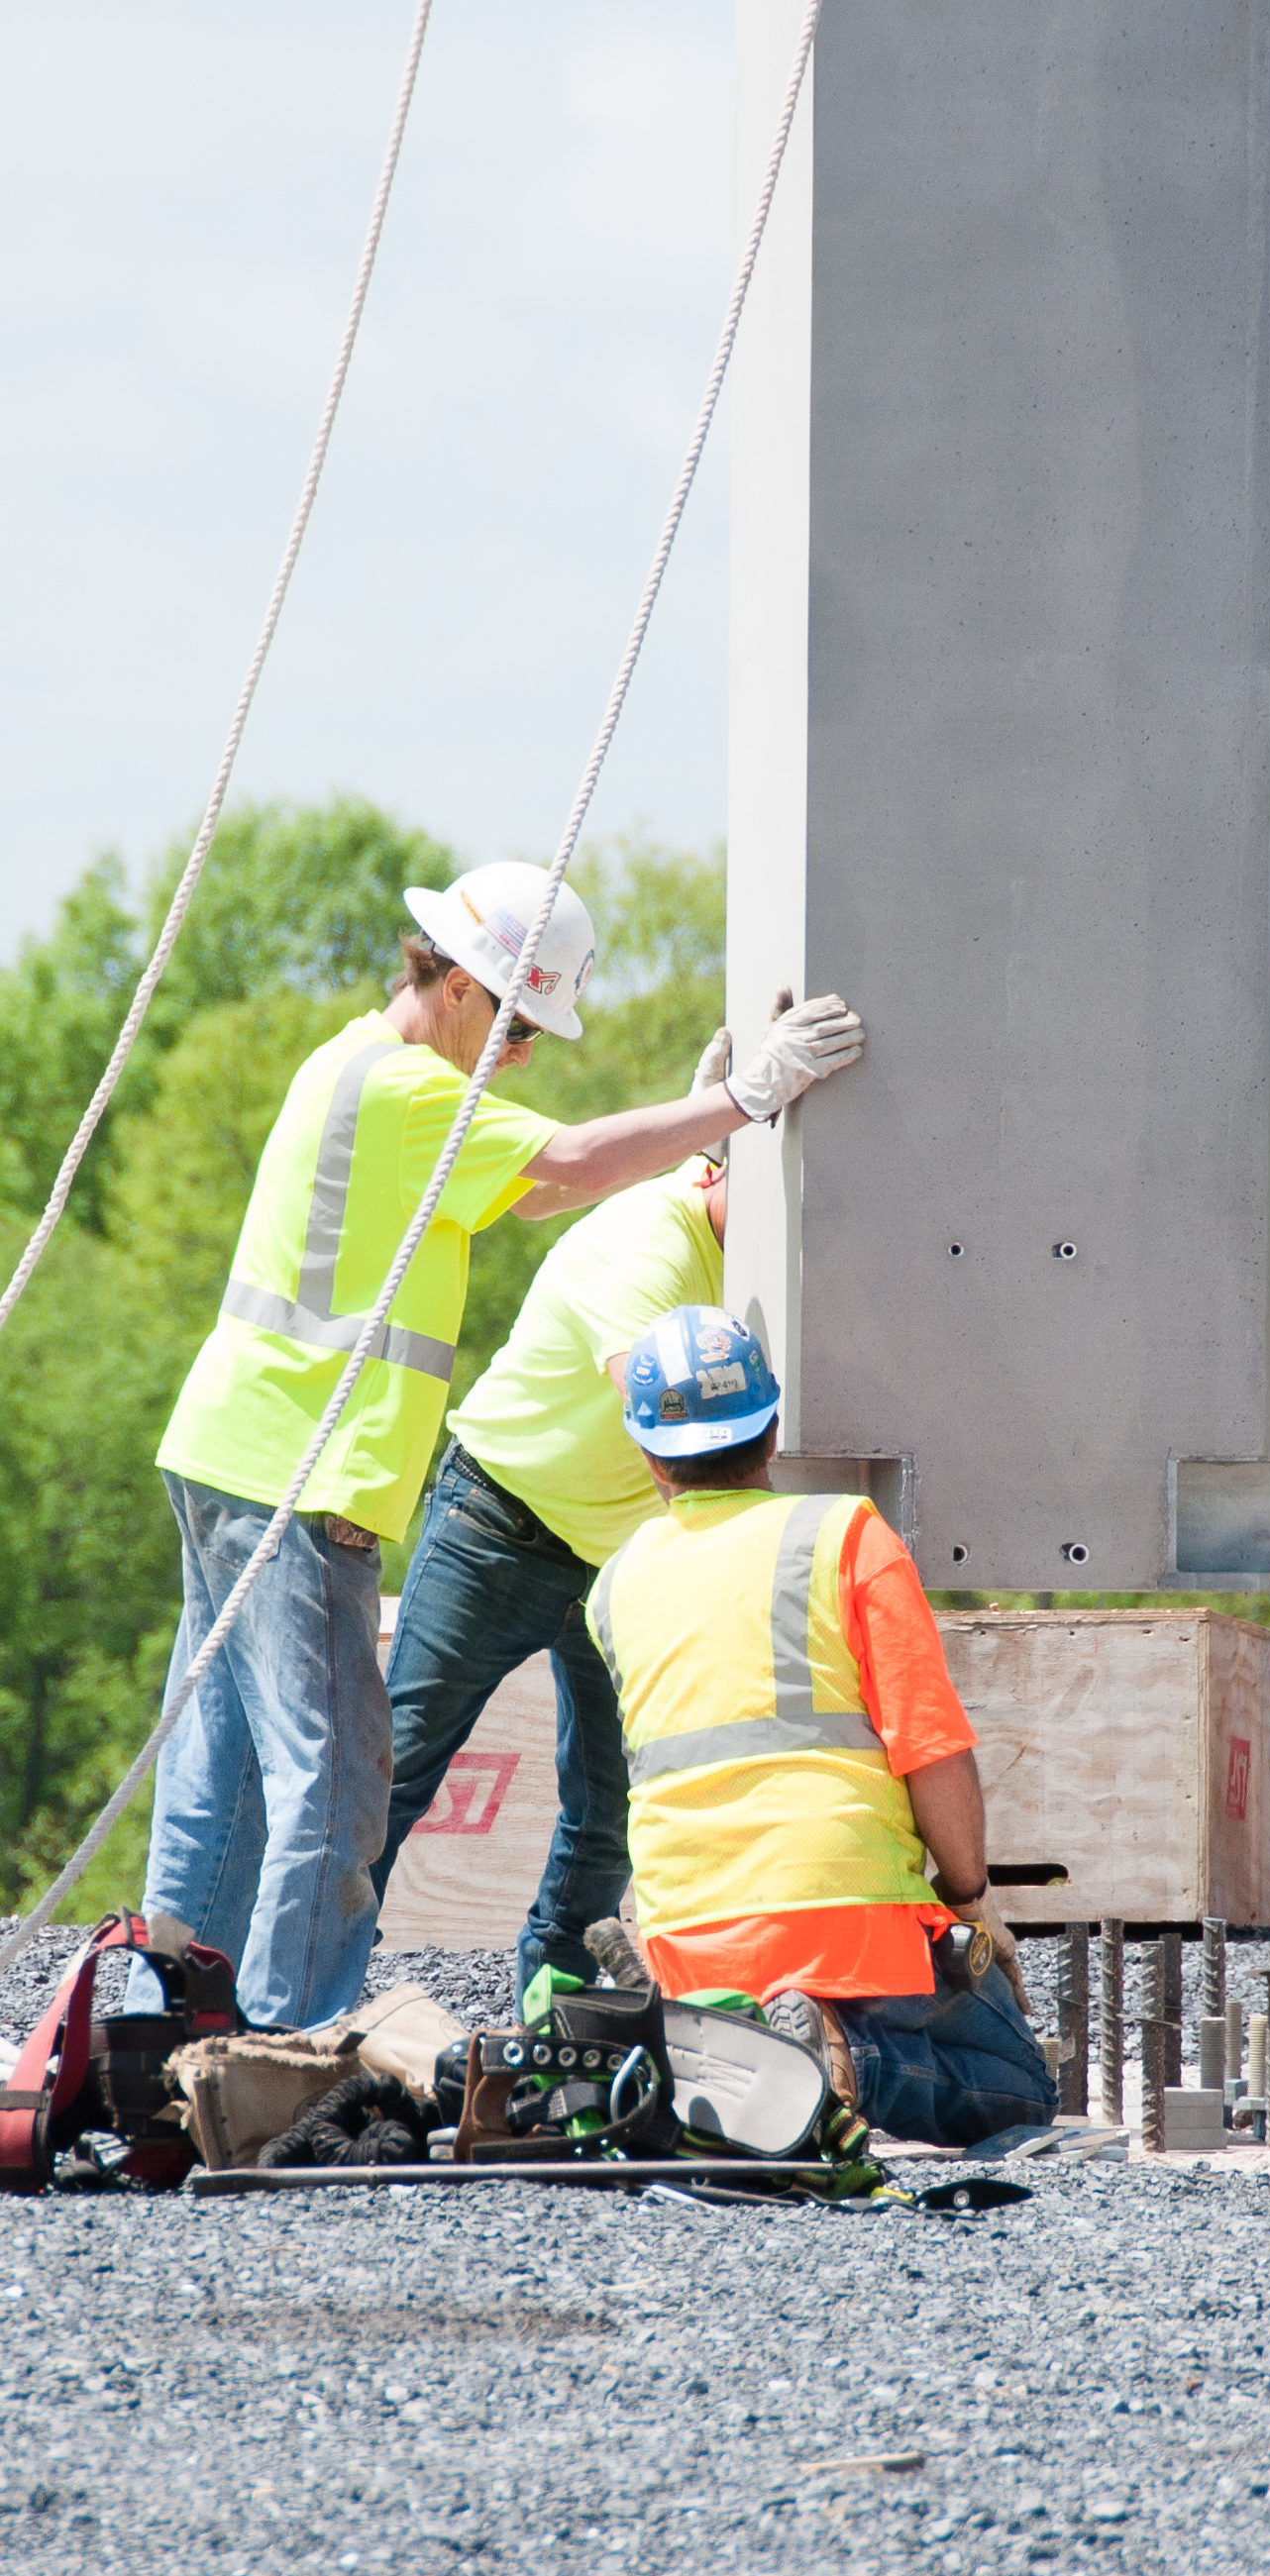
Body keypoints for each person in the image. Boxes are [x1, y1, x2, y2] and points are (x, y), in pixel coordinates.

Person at [133, 861, 863, 2027]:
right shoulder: (403, 1088)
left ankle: (160, 2028)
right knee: (337, 1786)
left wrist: (695, 1133)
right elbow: (565, 1164)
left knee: (214, 1777)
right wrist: (744, 1103)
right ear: (468, 987)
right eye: (521, 1028)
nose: (521, 1055)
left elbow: (530, 1194)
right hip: (299, 1474)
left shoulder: (350, 1069)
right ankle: (283, 2043)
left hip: (237, 1449)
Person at [372, 1011, 828, 2012]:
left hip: (618, 1553)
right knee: (394, 1772)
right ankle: (300, 1994)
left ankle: (557, 1999)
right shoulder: (648, 1244)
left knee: (607, 1805)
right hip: (500, 1524)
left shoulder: (760, 1267)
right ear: (719, 1174)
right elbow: (670, 1426)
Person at [583, 1305, 1058, 2149]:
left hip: (684, 1938)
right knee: (1019, 2090)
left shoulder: (614, 1585)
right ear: (771, 1433)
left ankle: (718, 2051)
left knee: (737, 2064)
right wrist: (969, 1903)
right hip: (849, 1923)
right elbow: (932, 1749)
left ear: (649, 1455)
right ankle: (843, 2060)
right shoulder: (844, 1536)